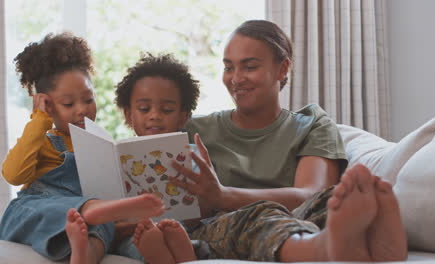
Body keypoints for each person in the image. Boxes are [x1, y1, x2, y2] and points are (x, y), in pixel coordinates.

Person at [167, 20, 408, 262]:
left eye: (249, 67)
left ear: (283, 69)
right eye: (229, 68)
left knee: (334, 199)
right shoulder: (193, 129)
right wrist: (219, 201)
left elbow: (311, 194)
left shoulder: (312, 123)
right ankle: (321, 248)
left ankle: (377, 243)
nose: (236, 78)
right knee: (259, 216)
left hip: (298, 215)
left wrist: (224, 194)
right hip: (227, 223)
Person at [0, 33, 165, 264]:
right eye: (68, 104)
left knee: (101, 233)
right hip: (42, 210)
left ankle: (83, 254)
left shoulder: (100, 143)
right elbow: (13, 174)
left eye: (88, 100)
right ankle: (92, 209)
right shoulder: (41, 140)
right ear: (47, 105)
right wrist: (39, 120)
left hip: (88, 222)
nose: (82, 110)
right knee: (83, 214)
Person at [114, 53, 200, 264]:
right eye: (144, 109)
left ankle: (174, 249)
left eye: (167, 110)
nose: (155, 115)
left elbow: (204, 207)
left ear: (183, 116)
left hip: (180, 227)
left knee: (183, 234)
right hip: (134, 230)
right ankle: (160, 252)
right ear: (128, 115)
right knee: (134, 240)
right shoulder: (116, 155)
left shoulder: (192, 155)